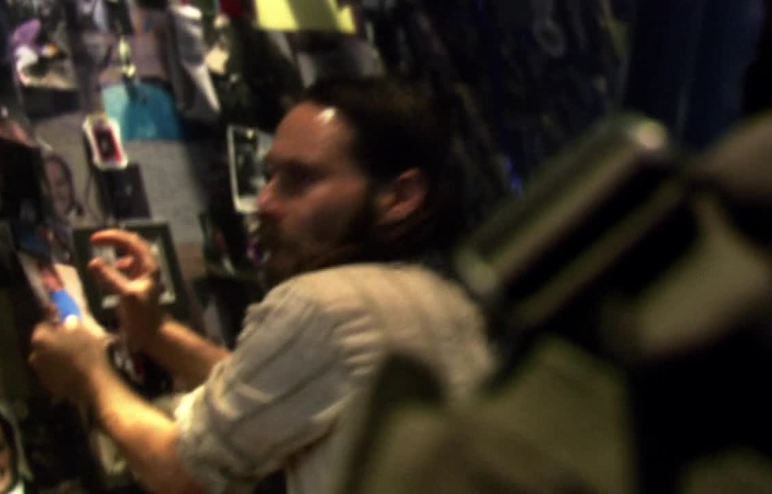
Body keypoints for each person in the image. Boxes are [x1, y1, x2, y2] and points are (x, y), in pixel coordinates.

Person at [27, 77, 494, 494]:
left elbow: (183, 475)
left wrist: (89, 373)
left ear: (399, 197)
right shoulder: (440, 300)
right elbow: (270, 389)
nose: (265, 202)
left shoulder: (324, 304)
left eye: (300, 179)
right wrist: (154, 332)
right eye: (270, 176)